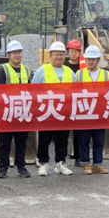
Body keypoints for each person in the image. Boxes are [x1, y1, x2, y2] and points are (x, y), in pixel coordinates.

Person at [32, 41, 74, 177]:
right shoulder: (42, 70)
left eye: (61, 54)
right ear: (50, 56)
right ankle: (43, 163)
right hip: (47, 112)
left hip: (64, 112)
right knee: (44, 139)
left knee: (62, 139)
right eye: (56, 54)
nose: (58, 57)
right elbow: (33, 89)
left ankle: (61, 163)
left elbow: (77, 90)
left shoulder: (69, 72)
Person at [0, 40, 32, 178]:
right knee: (5, 142)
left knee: (21, 142)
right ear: (8, 55)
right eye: (14, 53)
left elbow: (32, 90)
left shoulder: (27, 70)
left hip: (23, 111)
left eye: (19, 52)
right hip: (7, 112)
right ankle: (3, 168)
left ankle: (21, 166)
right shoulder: (3, 70)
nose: (17, 55)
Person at [75, 45, 109, 175]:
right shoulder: (79, 74)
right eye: (88, 59)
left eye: (93, 59)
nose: (91, 61)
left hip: (99, 111)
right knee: (84, 139)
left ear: (98, 60)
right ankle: (86, 163)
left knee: (99, 139)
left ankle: (97, 164)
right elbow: (74, 92)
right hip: (84, 111)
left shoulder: (105, 74)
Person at [65, 39, 83, 167]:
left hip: (79, 102)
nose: (73, 54)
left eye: (75, 51)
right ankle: (63, 158)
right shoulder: (64, 66)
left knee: (79, 132)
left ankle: (78, 157)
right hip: (66, 101)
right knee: (64, 131)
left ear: (79, 53)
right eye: (71, 51)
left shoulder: (83, 67)